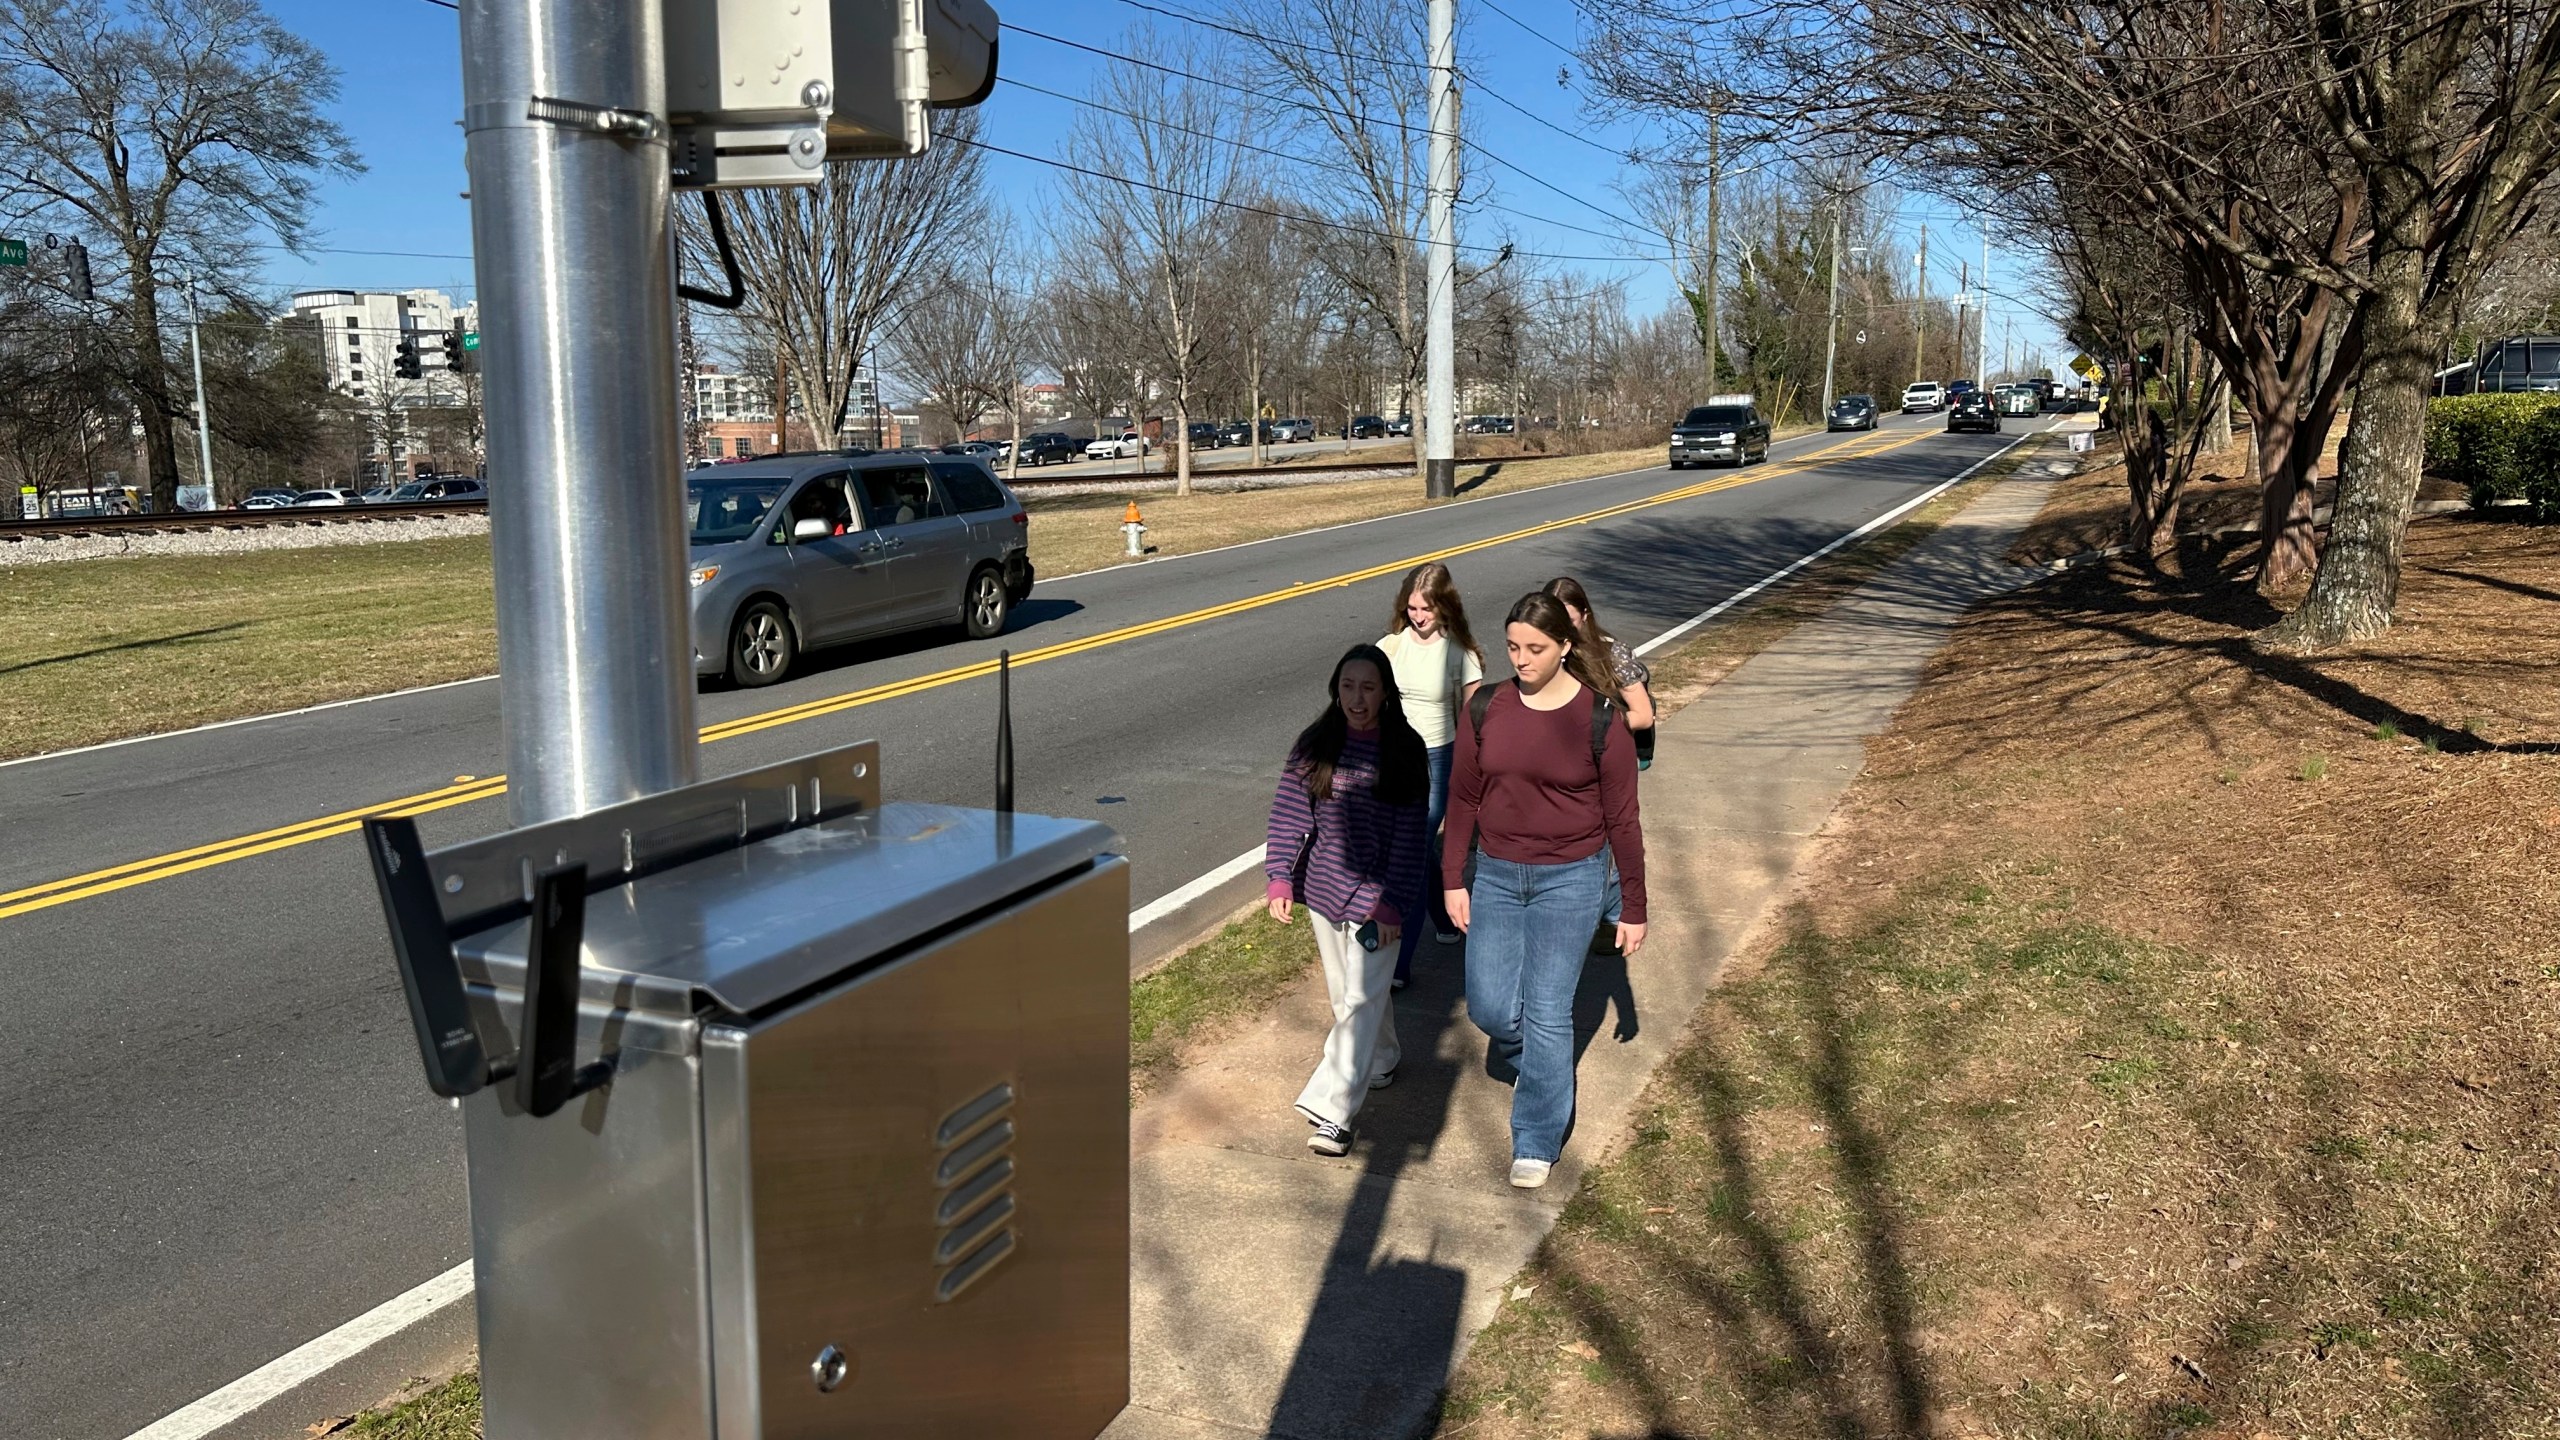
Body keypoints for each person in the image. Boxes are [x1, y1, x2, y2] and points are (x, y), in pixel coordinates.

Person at [1444, 593, 1647, 1189]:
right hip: (1500, 875)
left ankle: (1534, 1137)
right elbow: (1462, 799)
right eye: (1513, 647)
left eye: (1536, 648)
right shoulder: (1486, 706)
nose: (1522, 659)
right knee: (1489, 1007)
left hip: (1573, 878)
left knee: (1550, 1010)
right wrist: (1454, 877)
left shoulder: (1601, 720)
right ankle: (1539, 1069)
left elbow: (1624, 821)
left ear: (1564, 647)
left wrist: (1632, 905)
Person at [1265, 643, 1434, 1158]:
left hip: (1377, 900)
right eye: (1347, 686)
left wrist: (1392, 904)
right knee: (1349, 1001)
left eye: (1367, 687)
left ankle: (1333, 1112)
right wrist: (1279, 879)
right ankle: (1381, 1057)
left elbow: (1412, 837)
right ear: (1335, 690)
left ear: (1385, 692)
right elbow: (1291, 815)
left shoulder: (1405, 750)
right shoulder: (1316, 743)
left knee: (1359, 1003)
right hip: (1322, 892)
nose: (1357, 698)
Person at [1378, 562, 1485, 987]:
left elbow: (1474, 721)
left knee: (1411, 850)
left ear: (1445, 606)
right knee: (1413, 848)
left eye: (1426, 608)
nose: (1418, 617)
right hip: (1397, 758)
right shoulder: (1389, 647)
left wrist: (1473, 773)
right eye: (1412, 608)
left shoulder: (1461, 654)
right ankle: (1444, 919)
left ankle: (1399, 965)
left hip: (1441, 758)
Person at [1543, 576, 1656, 950]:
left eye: (1569, 619)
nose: (1562, 630)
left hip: (1604, 759)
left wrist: (1598, 732)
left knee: (1607, 832)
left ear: (1585, 616)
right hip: (1558, 763)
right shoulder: (1544, 654)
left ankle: (1611, 909)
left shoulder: (1611, 653)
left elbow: (1642, 714)